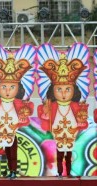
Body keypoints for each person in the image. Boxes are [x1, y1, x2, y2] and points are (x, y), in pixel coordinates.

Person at [37, 46, 89, 177]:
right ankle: (60, 172)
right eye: (59, 89)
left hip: (70, 130)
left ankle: (69, 172)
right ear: (53, 91)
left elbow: (82, 119)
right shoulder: (52, 105)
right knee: (59, 153)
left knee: (69, 153)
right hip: (58, 130)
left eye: (68, 89)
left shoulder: (75, 105)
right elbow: (44, 119)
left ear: (74, 90)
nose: (64, 93)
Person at [0, 46, 35, 178]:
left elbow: (28, 110)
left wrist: (25, 110)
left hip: (12, 130)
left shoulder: (19, 102)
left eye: (12, 87)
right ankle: (9, 169)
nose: (7, 91)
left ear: (18, 88)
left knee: (12, 150)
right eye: (4, 87)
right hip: (0, 130)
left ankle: (13, 170)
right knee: (4, 151)